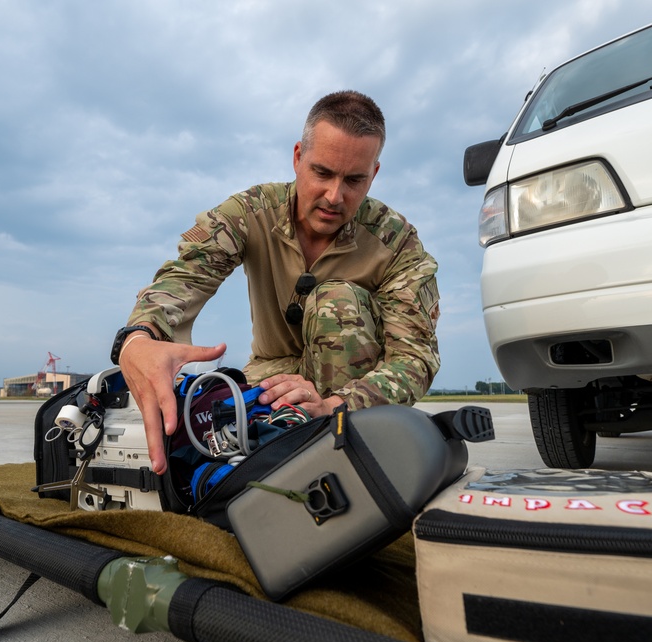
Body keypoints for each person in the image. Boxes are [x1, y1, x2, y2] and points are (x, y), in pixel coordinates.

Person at [113, 90, 440, 474]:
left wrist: (336, 408)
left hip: (351, 399)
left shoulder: (397, 242)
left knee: (339, 300)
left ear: (375, 174)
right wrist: (138, 337)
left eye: (354, 180)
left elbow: (413, 358)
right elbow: (188, 274)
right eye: (322, 173)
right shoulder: (252, 212)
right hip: (272, 377)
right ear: (298, 157)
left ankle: (342, 457)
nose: (334, 196)